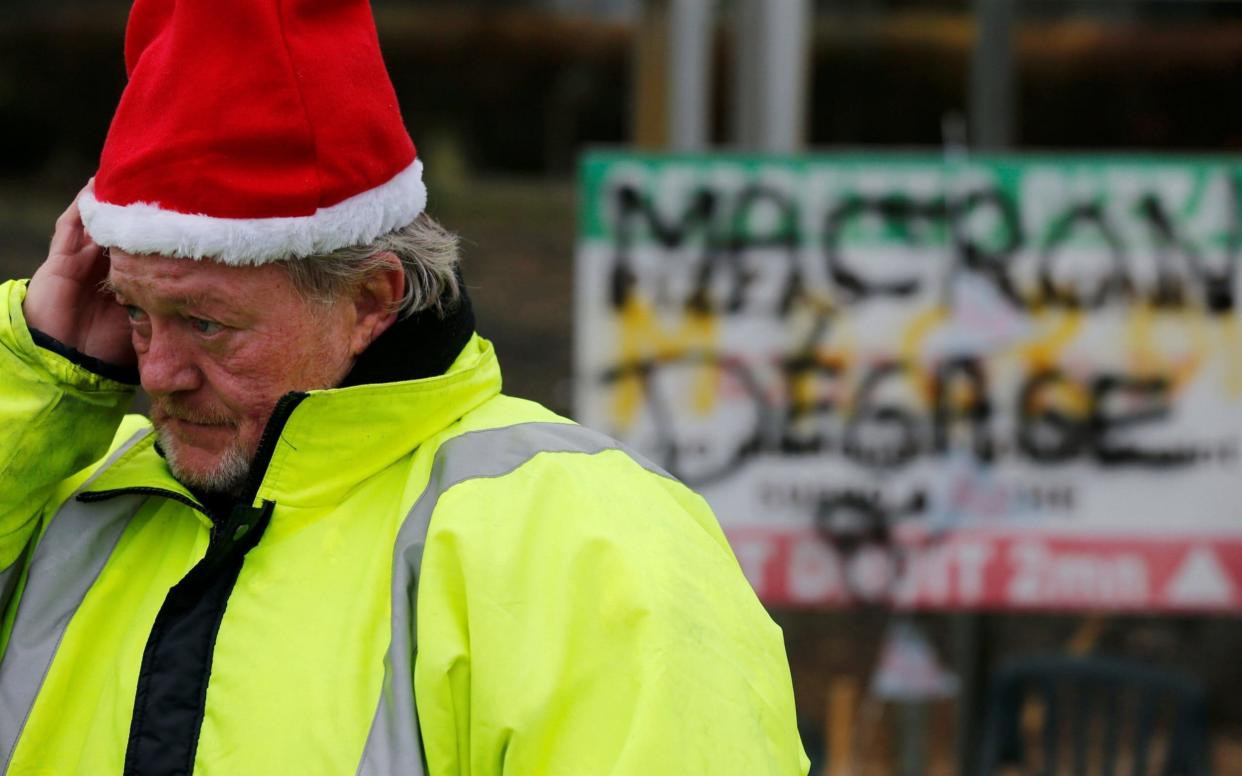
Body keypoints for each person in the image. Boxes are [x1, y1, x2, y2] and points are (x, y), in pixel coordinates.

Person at [0, 1, 808, 774]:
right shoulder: (68, 497)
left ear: (371, 301)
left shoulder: (591, 542)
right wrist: (39, 366)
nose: (156, 373)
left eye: (205, 324)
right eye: (136, 315)